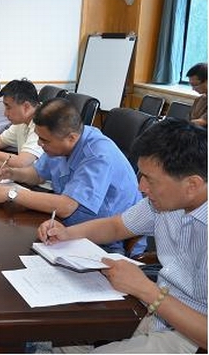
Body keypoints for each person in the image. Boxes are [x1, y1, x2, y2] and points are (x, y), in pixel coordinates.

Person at [37, 119, 207, 353]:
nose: (141, 187)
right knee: (65, 332)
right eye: (141, 175)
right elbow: (117, 226)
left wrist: (146, 290)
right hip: (157, 310)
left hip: (191, 336)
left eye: (150, 179)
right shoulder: (165, 201)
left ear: (192, 185)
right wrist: (68, 233)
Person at [0, 98, 143, 255]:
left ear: (71, 138)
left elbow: (67, 206)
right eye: (39, 137)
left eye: (44, 140)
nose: (39, 144)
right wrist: (13, 173)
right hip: (67, 228)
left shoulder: (97, 155)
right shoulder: (61, 143)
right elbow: (38, 174)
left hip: (106, 242)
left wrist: (11, 194)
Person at [187, 62, 207, 127]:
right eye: (191, 85)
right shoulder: (198, 100)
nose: (193, 89)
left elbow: (203, 121)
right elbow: (189, 119)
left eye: (195, 85)